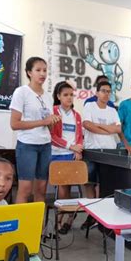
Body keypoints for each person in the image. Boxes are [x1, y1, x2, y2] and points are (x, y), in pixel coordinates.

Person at [10, 57, 61, 204]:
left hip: (45, 145)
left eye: (45, 70)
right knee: (25, 189)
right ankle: (21, 226)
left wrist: (53, 121)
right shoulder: (21, 92)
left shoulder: (47, 96)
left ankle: (38, 226)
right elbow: (14, 124)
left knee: (41, 188)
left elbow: (48, 126)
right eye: (38, 70)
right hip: (27, 145)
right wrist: (43, 121)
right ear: (29, 73)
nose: (42, 74)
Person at [81, 81, 121, 229]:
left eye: (109, 91)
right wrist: (108, 129)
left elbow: (118, 129)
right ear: (97, 93)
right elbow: (87, 124)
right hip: (93, 151)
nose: (106, 94)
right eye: (103, 91)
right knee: (89, 183)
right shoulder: (89, 106)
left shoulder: (112, 110)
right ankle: (91, 215)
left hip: (109, 152)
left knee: (104, 185)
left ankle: (103, 216)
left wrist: (101, 126)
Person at [50, 81, 84, 234]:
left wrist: (78, 150)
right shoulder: (53, 111)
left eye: (71, 95)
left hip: (72, 155)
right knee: (64, 187)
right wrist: (71, 146)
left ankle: (68, 218)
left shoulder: (77, 115)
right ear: (58, 96)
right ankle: (61, 219)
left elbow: (79, 138)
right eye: (65, 95)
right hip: (56, 154)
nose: (69, 98)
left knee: (70, 186)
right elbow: (52, 136)